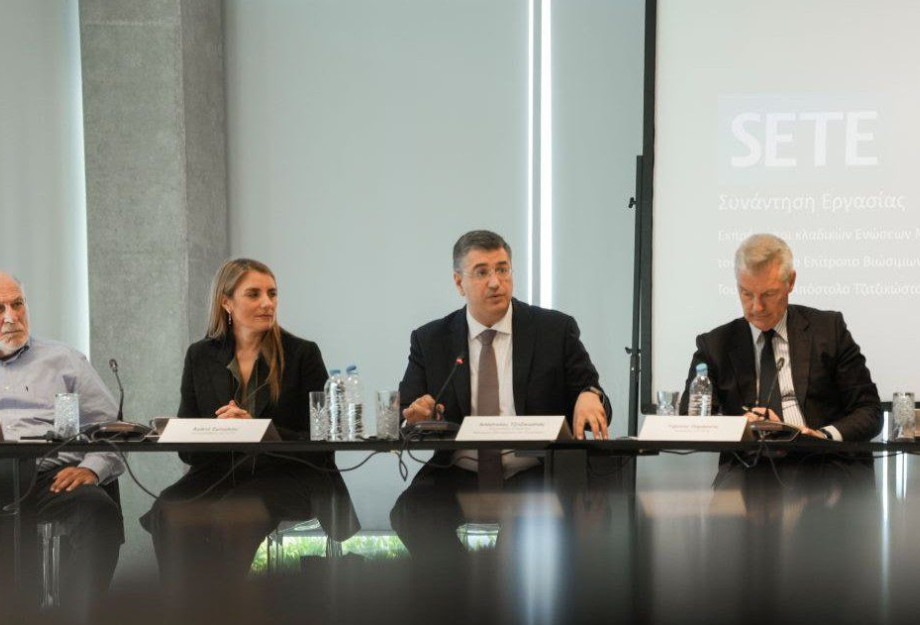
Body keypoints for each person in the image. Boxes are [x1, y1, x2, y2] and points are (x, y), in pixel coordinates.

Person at [391, 230, 610, 556]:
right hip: (459, 470)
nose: (496, 282)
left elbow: (593, 395)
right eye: (482, 272)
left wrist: (590, 395)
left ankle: (513, 585)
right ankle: (460, 584)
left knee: (537, 524)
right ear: (459, 283)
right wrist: (415, 415)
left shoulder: (554, 330)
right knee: (411, 513)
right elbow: (406, 413)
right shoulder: (431, 340)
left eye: (502, 269)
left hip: (534, 471)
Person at [142, 258, 358, 587]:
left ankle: (225, 607)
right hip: (220, 473)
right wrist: (216, 429)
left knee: (234, 513)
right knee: (169, 509)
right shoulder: (200, 355)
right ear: (226, 302)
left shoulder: (302, 354)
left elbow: (324, 441)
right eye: (254, 294)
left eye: (272, 293)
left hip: (290, 474)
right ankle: (183, 606)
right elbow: (188, 452)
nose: (267, 303)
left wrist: (257, 429)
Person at [678, 233, 882, 442]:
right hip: (748, 458)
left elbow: (869, 411)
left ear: (790, 282)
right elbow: (691, 419)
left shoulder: (828, 330)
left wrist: (822, 436)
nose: (757, 307)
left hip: (819, 455)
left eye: (768, 294)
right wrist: (739, 427)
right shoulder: (715, 346)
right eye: (747, 294)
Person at [0, 271, 124, 605]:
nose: (11, 317)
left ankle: (70, 616)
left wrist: (92, 469)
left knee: (98, 514)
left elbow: (109, 427)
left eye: (17, 304)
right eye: (0, 309)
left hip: (50, 477)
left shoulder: (65, 360)